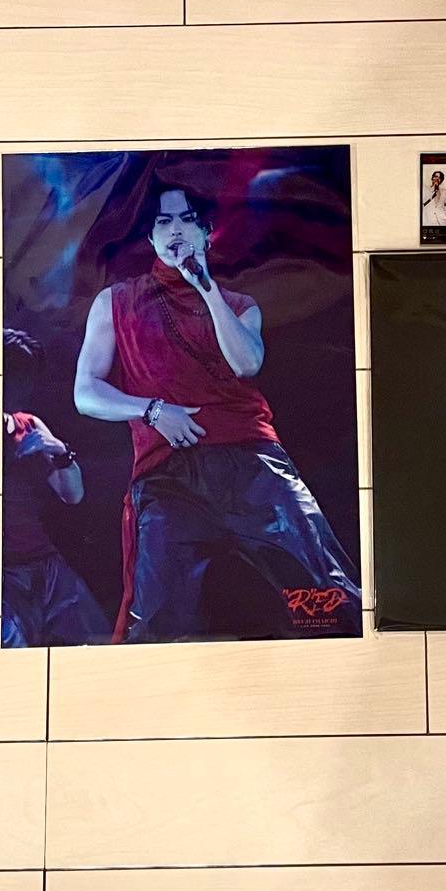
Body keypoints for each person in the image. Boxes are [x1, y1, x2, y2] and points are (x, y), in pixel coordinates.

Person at [73, 180, 362, 642]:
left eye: (187, 220)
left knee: (324, 598)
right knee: (156, 623)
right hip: (167, 477)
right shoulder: (116, 302)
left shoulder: (240, 306)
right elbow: (85, 392)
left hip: (251, 465)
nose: (176, 231)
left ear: (206, 233)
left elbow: (247, 363)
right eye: (163, 222)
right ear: (150, 236)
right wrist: (153, 411)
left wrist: (206, 289)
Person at [2, 329, 109, 647]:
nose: (22, 387)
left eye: (27, 377)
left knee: (93, 641)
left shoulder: (29, 425)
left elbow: (72, 495)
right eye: (15, 376)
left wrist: (60, 451)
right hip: (0, 571)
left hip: (43, 562)